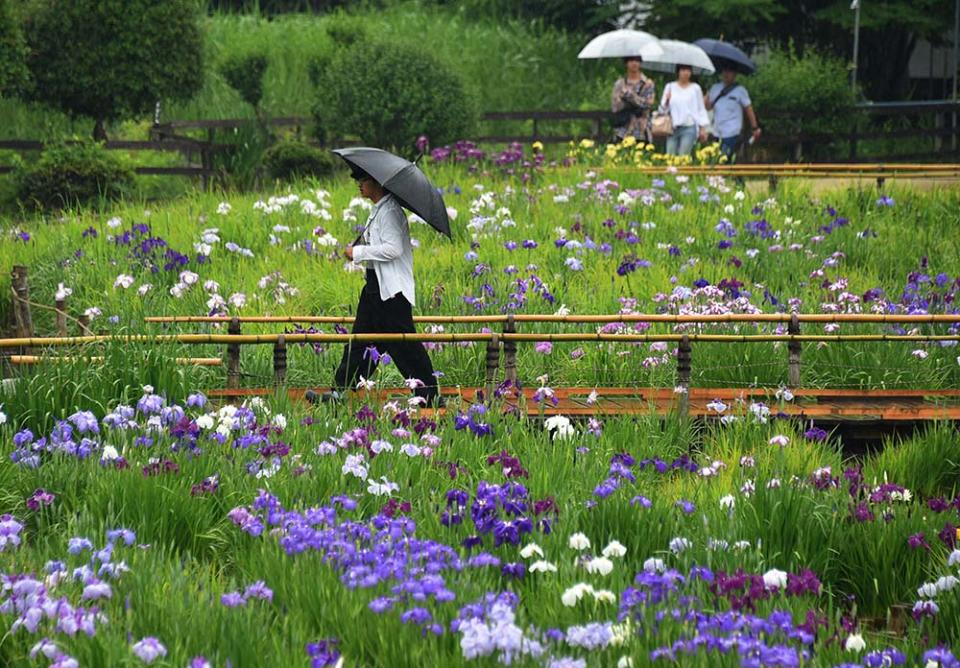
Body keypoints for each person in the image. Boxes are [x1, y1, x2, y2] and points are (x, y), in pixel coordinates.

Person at [306, 166, 440, 407]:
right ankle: (340, 392)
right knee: (360, 341)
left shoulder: (389, 212)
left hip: (391, 292)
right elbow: (380, 254)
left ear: (378, 182)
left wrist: (358, 251)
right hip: (375, 288)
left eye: (364, 179)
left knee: (403, 343)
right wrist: (358, 255)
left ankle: (429, 394)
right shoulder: (379, 211)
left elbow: (393, 250)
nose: (359, 183)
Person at [704, 66, 762, 162]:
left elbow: (748, 108)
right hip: (717, 131)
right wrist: (706, 98)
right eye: (725, 71)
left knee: (724, 158)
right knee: (716, 159)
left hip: (732, 131)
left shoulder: (740, 90)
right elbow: (708, 107)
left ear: (735, 74)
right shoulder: (715, 88)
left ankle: (724, 175)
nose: (726, 74)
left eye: (730, 71)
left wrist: (754, 127)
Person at [659, 64, 710, 156]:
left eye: (688, 70)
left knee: (683, 156)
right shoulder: (670, 86)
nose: (685, 73)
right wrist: (667, 100)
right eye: (683, 70)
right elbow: (662, 110)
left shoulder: (695, 88)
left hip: (689, 126)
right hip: (672, 127)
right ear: (678, 72)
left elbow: (700, 108)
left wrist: (703, 128)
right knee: (670, 156)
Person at [611, 56, 655, 144]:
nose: (634, 63)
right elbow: (615, 107)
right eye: (631, 60)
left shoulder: (647, 83)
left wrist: (632, 96)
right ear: (626, 63)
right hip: (623, 129)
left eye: (637, 61)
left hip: (641, 129)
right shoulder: (620, 84)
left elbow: (648, 104)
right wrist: (623, 100)